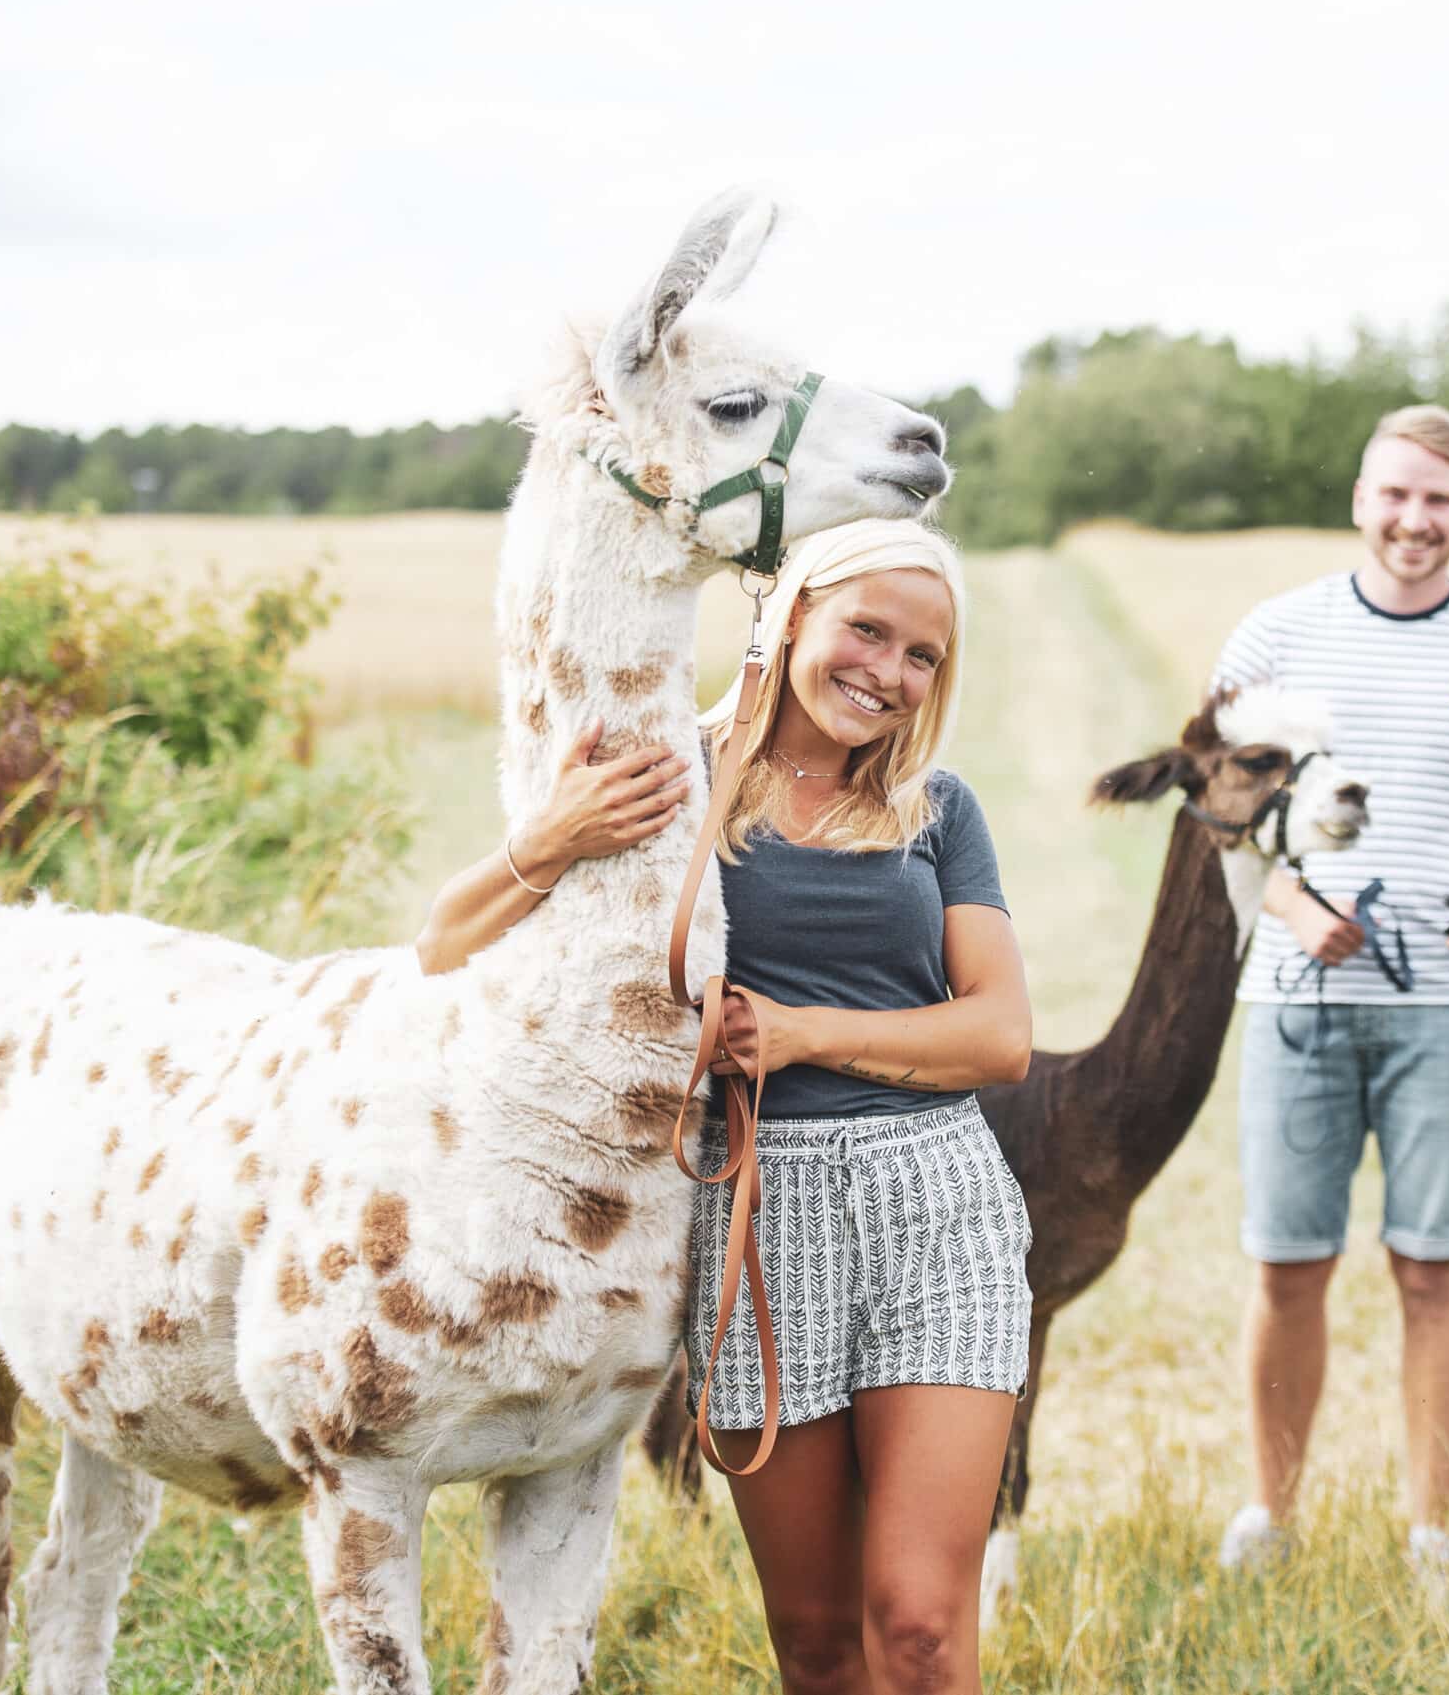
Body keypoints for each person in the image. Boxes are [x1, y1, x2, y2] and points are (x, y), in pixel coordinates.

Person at [421, 517, 1033, 1694]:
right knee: (813, 1637)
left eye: (922, 656)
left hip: (938, 1199)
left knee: (915, 1624)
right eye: (867, 630)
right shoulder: (670, 778)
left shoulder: (936, 808)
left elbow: (999, 1034)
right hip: (756, 1213)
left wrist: (804, 1034)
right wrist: (544, 841)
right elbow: (444, 947)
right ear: (790, 613)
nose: (888, 672)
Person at [1211, 404, 1449, 1599]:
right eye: (1394, 494)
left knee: (1432, 1265)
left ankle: (1430, 1532)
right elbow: (1216, 819)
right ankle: (1270, 1511)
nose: (1413, 520)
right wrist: (1290, 906)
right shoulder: (1274, 635)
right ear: (1360, 499)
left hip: (1447, 1011)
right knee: (1287, 1264)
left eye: (1438, 500)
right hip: (1295, 1003)